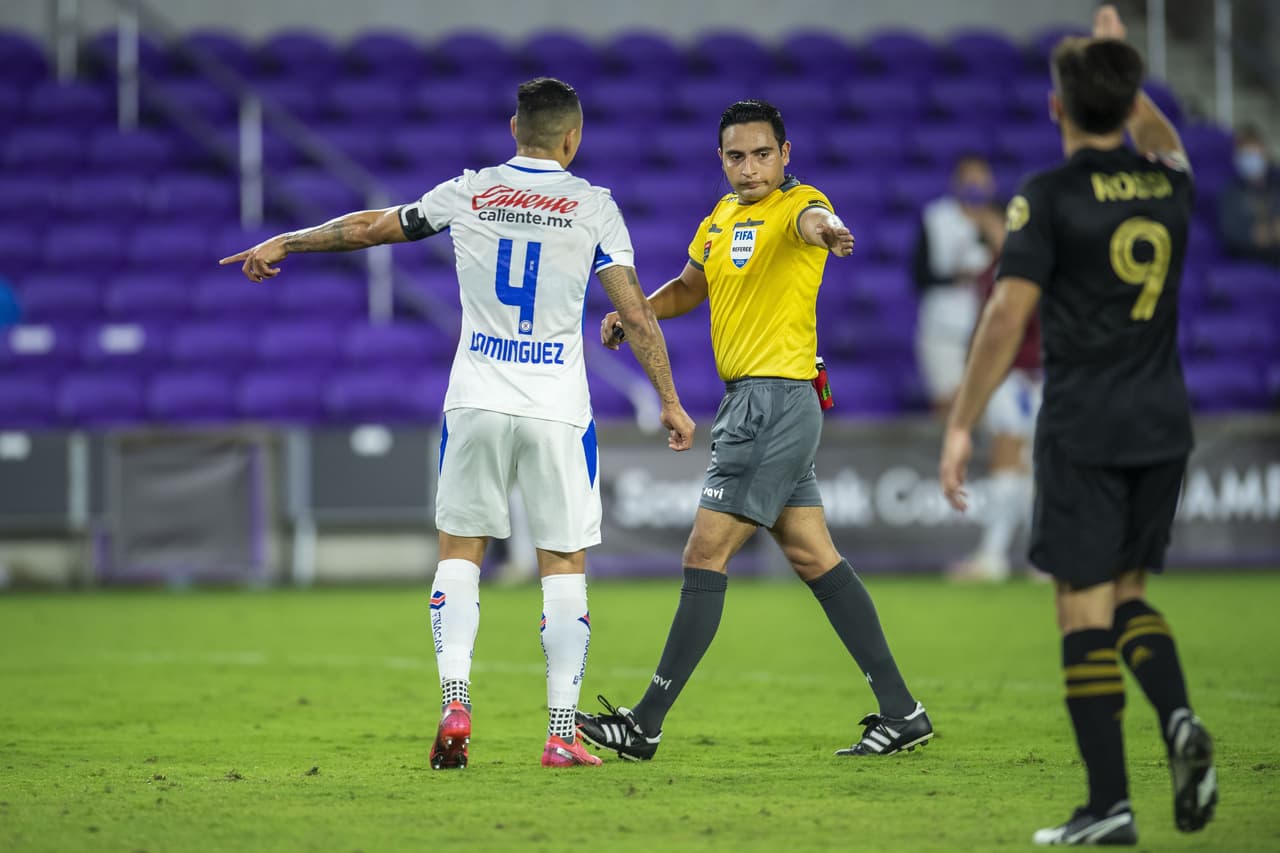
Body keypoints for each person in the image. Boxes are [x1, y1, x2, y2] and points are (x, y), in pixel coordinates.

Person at [221, 77, 696, 770]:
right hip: (556, 406)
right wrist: (670, 400)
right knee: (562, 562)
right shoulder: (595, 207)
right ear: (573, 138)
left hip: (475, 396)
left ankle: (454, 697)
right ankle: (561, 731)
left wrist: (288, 241)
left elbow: (371, 226)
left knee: (459, 550)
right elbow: (637, 311)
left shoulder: (469, 191)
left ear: (514, 130)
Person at [576, 100, 932, 762]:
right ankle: (902, 709)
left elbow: (816, 220)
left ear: (785, 153)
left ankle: (645, 722)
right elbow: (690, 285)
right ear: (721, 160)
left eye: (762, 154)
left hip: (771, 403)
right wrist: (639, 310)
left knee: (704, 553)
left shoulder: (800, 206)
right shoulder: (720, 218)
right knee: (813, 555)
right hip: (765, 403)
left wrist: (831, 229)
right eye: (737, 156)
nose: (750, 168)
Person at [939, 6, 1217, 845]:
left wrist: (961, 423)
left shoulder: (1048, 198)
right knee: (1129, 594)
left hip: (1085, 420)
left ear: (1057, 109)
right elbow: (1168, 143)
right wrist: (1124, 72)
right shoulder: (1170, 183)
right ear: (1129, 100)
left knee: (1080, 607)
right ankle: (1175, 718)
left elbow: (1003, 317)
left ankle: (1110, 805)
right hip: (1165, 416)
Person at [947, 256, 1045, 583]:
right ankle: (1042, 558)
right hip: (1046, 372)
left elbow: (999, 323)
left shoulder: (1010, 266)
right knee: (1035, 464)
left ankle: (994, 555)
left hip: (1014, 373)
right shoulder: (1059, 258)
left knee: (1011, 460)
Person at [912, 154, 1007, 415]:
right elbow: (918, 275)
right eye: (969, 177)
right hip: (945, 328)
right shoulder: (936, 218)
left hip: (990, 327)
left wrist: (997, 235)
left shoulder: (1001, 218)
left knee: (994, 409)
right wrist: (956, 278)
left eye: (981, 177)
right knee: (949, 405)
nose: (975, 184)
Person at [1216, 123, 1280, 265]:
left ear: (1265, 152)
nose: (1249, 158)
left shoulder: (1277, 182)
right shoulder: (1230, 192)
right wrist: (1271, 232)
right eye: (1244, 152)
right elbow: (1233, 234)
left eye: (1253, 151)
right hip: (1246, 260)